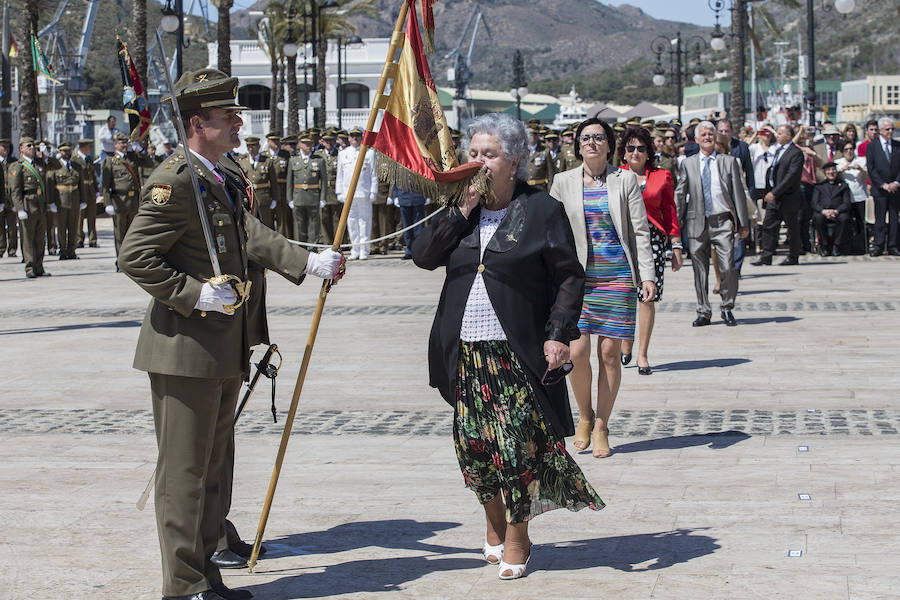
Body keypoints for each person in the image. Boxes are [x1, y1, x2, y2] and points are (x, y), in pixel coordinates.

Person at [118, 69, 344, 600]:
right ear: (199, 124)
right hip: (184, 350)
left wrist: (306, 260)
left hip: (223, 345)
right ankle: (183, 585)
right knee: (185, 473)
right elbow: (135, 256)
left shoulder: (215, 176)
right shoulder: (175, 180)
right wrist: (193, 293)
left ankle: (205, 575)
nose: (240, 124)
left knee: (213, 470)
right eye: (229, 117)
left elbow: (245, 232)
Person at [412, 112, 604, 581]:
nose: (479, 161)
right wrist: (461, 210)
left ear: (514, 161)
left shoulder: (541, 210)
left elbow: (569, 277)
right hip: (465, 353)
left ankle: (519, 536)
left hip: (515, 352)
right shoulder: (460, 208)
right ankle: (494, 522)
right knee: (474, 447)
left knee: (516, 449)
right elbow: (423, 257)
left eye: (490, 154)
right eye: (474, 153)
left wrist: (558, 333)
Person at [549, 117, 655, 458]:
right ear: (577, 146)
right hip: (577, 280)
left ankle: (601, 425)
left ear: (609, 145)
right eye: (585, 138)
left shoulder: (624, 180)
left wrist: (647, 275)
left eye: (598, 137)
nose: (591, 142)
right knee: (576, 352)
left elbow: (640, 231)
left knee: (609, 353)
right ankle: (584, 415)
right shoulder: (562, 181)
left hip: (618, 277)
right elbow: (550, 232)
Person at [616, 126, 682, 375]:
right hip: (622, 240)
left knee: (647, 296)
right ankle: (626, 341)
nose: (635, 152)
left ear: (648, 152)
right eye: (630, 148)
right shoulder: (614, 177)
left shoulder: (662, 176)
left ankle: (642, 353)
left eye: (641, 148)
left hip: (653, 240)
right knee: (624, 295)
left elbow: (670, 211)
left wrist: (676, 245)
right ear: (623, 152)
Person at [675, 121, 750, 327]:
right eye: (704, 134)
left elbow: (739, 194)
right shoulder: (688, 164)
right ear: (696, 139)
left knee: (727, 266)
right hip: (696, 221)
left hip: (722, 219)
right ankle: (703, 311)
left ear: (715, 137)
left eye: (710, 134)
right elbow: (680, 193)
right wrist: (676, 222)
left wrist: (743, 223)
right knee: (699, 269)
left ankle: (727, 307)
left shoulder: (729, 162)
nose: (707, 137)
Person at [752, 124, 805, 266]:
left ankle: (793, 256)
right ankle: (766, 256)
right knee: (768, 225)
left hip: (787, 197)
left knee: (792, 228)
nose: (777, 135)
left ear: (789, 136)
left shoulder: (796, 153)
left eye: (780, 133)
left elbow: (791, 176)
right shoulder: (778, 150)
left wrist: (775, 192)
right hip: (774, 198)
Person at [101, 132, 154, 264]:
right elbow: (105, 185)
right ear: (115, 145)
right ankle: (121, 260)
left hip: (133, 201)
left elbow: (149, 163)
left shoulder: (133, 157)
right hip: (119, 200)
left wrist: (141, 150)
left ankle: (131, 259)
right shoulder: (110, 161)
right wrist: (108, 203)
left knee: (133, 233)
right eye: (121, 143)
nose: (124, 145)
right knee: (120, 232)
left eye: (125, 143)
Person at [9, 137, 53, 278]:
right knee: (28, 239)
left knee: (40, 239)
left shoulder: (39, 163)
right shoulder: (18, 166)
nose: (32, 148)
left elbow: (56, 166)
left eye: (34, 146)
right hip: (28, 205)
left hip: (40, 205)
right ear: (21, 149)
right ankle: (30, 268)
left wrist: (47, 154)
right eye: (29, 145)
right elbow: (15, 190)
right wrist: (20, 208)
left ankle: (39, 267)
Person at [335, 126, 378, 260]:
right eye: (352, 136)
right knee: (351, 222)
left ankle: (364, 249)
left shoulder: (369, 153)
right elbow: (340, 175)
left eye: (358, 136)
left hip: (364, 192)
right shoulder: (343, 153)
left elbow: (374, 174)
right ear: (348, 138)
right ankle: (355, 249)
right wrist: (339, 192)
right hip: (348, 193)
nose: (355, 138)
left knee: (364, 222)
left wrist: (373, 191)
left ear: (362, 137)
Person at [866, 117, 900, 256]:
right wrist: (883, 184)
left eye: (892, 129)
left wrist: (896, 183)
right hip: (880, 189)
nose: (890, 131)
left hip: (895, 189)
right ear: (880, 130)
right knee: (879, 219)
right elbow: (871, 168)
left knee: (894, 218)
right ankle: (878, 245)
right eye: (887, 129)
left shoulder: (898, 145)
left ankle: (893, 246)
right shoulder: (872, 147)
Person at [47, 141, 85, 260]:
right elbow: (50, 186)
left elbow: (81, 184)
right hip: (60, 201)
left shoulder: (77, 166)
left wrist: (83, 200)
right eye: (64, 151)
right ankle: (63, 251)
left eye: (68, 151)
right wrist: (51, 202)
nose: (67, 153)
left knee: (73, 227)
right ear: (60, 152)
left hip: (74, 200)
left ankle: (72, 251)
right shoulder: (55, 167)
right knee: (61, 227)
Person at [287, 133, 326, 245]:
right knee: (299, 225)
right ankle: (302, 247)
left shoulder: (319, 160)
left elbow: (323, 180)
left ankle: (313, 246)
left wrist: (322, 197)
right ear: (300, 144)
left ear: (313, 144)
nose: (307, 145)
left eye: (309, 143)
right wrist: (289, 198)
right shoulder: (293, 160)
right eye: (305, 143)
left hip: (313, 197)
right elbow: (289, 182)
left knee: (314, 224)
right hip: (298, 197)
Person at [835, 140, 869, 253]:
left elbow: (868, 179)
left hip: (860, 196)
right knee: (846, 222)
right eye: (846, 150)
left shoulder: (861, 160)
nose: (849, 152)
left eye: (851, 149)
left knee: (860, 223)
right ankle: (846, 246)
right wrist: (841, 170)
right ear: (842, 152)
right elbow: (833, 179)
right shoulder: (838, 162)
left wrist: (861, 170)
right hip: (845, 199)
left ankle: (861, 247)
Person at [811, 162, 851, 256]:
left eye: (833, 170)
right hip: (823, 211)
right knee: (818, 218)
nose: (831, 172)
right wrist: (824, 211)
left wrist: (836, 211)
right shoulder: (819, 186)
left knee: (844, 218)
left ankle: (836, 246)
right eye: (828, 170)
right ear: (825, 172)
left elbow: (846, 203)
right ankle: (824, 246)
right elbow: (814, 203)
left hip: (838, 212)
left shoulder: (843, 185)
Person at [237, 136, 277, 229]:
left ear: (259, 146)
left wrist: (274, 198)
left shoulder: (267, 161)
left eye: (253, 146)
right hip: (250, 198)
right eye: (248, 146)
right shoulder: (242, 162)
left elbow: (273, 182)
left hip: (264, 198)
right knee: (253, 225)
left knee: (267, 223)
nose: (250, 149)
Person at [73, 139, 99, 248]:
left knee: (92, 217)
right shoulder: (75, 159)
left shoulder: (89, 159)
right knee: (80, 217)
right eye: (89, 147)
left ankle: (93, 239)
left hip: (90, 191)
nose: (90, 149)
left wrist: (96, 190)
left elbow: (93, 175)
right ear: (83, 147)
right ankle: (79, 239)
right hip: (81, 191)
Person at [391, 184, 426, 259]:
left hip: (418, 197)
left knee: (419, 228)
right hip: (403, 197)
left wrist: (428, 195)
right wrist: (395, 195)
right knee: (407, 227)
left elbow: (426, 181)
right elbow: (395, 182)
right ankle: (409, 250)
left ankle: (418, 250)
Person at [0, 138, 17, 257]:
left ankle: (12, 249)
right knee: (0, 226)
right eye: (3, 147)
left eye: (7, 147)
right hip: (1, 197)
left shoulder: (14, 162)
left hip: (11, 198)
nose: (6, 149)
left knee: (12, 226)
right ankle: (1, 248)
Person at [526, 127, 554, 191]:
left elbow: (550, 173)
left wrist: (550, 190)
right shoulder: (522, 150)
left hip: (540, 187)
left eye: (535, 134)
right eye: (530, 134)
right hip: (525, 188)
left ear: (538, 135)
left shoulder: (545, 151)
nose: (532, 136)